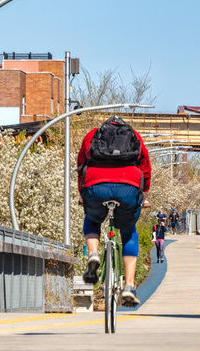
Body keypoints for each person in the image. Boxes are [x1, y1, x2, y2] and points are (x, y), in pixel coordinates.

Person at [77, 115, 151, 307]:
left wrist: (82, 193)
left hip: (95, 186)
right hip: (129, 188)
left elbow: (81, 165)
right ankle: (128, 286)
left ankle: (93, 254)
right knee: (128, 232)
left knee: (92, 220)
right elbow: (146, 169)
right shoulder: (135, 136)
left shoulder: (92, 135)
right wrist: (143, 193)